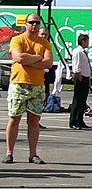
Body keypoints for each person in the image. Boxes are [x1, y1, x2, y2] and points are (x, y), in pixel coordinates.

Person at [4, 13, 52, 164]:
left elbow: (48, 63)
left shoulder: (44, 43)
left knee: (34, 120)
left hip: (37, 85)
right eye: (31, 22)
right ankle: (9, 153)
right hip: (19, 83)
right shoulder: (17, 39)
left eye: (37, 23)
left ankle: (33, 154)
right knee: (14, 118)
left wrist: (29, 60)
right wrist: (38, 58)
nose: (34, 25)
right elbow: (18, 58)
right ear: (26, 23)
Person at [69, 33, 92, 129]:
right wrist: (79, 76)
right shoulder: (78, 51)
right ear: (83, 41)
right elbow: (76, 66)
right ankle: (73, 121)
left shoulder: (83, 51)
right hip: (80, 77)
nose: (88, 43)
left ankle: (80, 120)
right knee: (77, 100)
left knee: (83, 101)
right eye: (87, 41)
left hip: (85, 77)